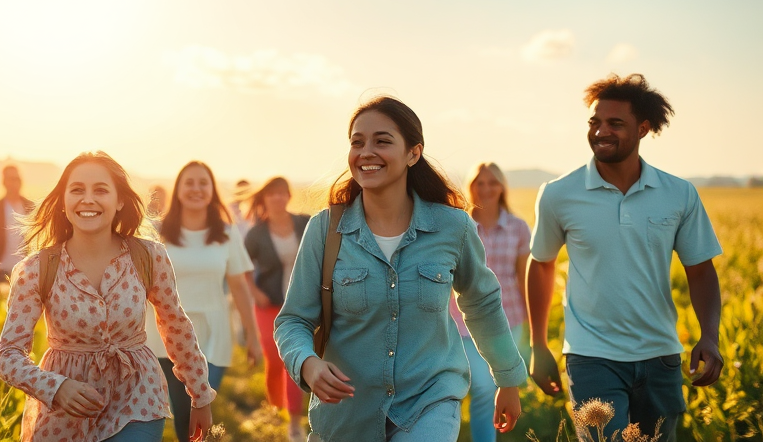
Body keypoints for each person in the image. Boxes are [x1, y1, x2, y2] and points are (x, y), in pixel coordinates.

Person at [275, 96, 526, 442]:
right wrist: (307, 363)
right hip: (346, 416)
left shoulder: (453, 227)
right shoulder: (324, 230)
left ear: (413, 153)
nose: (366, 152)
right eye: (357, 142)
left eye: (382, 141)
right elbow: (293, 320)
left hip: (430, 402)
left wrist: (507, 378)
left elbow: (481, 303)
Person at [527, 74, 724, 442]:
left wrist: (709, 336)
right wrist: (538, 346)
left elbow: (700, 271)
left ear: (643, 128)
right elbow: (541, 266)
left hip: (661, 356)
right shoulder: (558, 194)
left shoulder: (679, 193)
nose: (601, 131)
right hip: (590, 357)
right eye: (595, 122)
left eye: (615, 123)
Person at [0, 152, 216, 442]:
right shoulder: (36, 270)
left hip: (138, 398)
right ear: (63, 201)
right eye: (77, 190)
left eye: (100, 190)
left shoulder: (149, 257)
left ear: (119, 200)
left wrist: (200, 395)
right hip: (62, 416)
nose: (88, 199)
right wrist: (55, 387)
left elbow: (176, 326)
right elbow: (7, 356)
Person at [145, 161, 263, 442]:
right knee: (184, 413)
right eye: (189, 183)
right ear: (178, 190)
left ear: (212, 190)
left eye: (203, 183)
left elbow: (239, 286)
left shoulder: (226, 232)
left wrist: (253, 336)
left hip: (213, 333)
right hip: (165, 336)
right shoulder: (157, 232)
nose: (196, 189)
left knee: (201, 407)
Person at [448, 162, 530, 442]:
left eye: (492, 182)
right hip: (463, 323)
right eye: (479, 183)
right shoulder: (460, 225)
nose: (486, 189)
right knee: (482, 387)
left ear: (502, 186)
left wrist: (530, 325)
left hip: (510, 320)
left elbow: (523, 278)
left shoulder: (518, 228)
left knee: (500, 388)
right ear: (471, 188)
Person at [243, 177, 311, 442]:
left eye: (283, 193)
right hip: (268, 303)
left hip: (301, 303)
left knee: (293, 358)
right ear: (265, 198)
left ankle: (294, 422)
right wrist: (254, 291)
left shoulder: (303, 222)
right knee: (273, 360)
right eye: (273, 194)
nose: (278, 198)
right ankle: (275, 410)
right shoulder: (256, 233)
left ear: (288, 196)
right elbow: (243, 267)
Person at [0, 165, 35, 289]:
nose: (15, 182)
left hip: (26, 271)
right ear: (4, 182)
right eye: (11, 179)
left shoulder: (31, 206)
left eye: (17, 179)